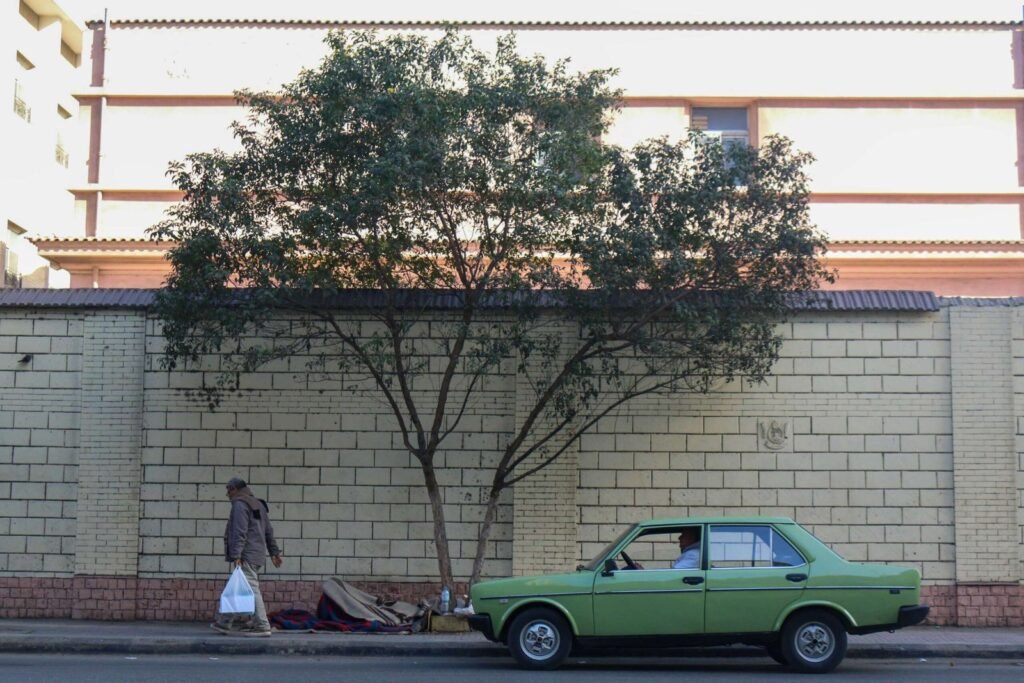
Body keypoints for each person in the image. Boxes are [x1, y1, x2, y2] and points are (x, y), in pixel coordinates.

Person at [211, 477, 283, 637]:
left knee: (251, 588)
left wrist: (236, 554)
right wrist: (274, 552)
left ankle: (262, 625)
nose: (227, 494)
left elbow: (239, 530)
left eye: (228, 490)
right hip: (256, 554)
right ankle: (224, 623)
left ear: (234, 489)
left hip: (246, 555)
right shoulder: (257, 504)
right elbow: (268, 530)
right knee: (236, 587)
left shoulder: (240, 505)